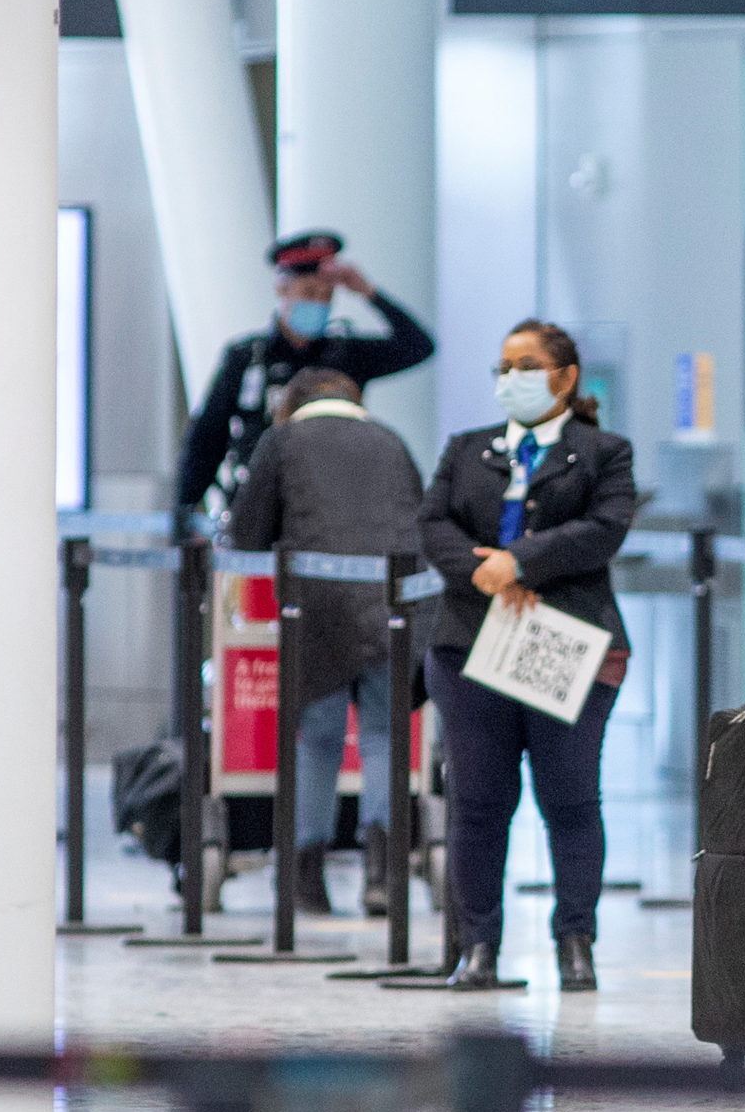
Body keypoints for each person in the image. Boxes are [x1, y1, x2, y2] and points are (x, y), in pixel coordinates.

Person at [418, 319, 638, 992]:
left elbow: (605, 529)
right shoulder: (467, 450)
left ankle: (576, 940)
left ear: (566, 377)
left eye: (528, 364)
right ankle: (477, 945)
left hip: (566, 642)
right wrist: (482, 571)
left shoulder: (605, 452)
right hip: (469, 645)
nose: (512, 378)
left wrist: (520, 562)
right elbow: (433, 523)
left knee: (570, 801)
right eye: (504, 366)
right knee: (478, 803)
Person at [226, 368, 431, 917]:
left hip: (316, 610)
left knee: (317, 741)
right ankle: (382, 875)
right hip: (395, 603)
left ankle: (303, 881)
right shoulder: (391, 440)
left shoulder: (283, 440)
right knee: (386, 739)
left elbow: (247, 535)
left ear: (292, 403)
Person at [176, 231, 436, 512]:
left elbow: (418, 346)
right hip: (258, 501)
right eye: (309, 293)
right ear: (283, 289)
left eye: (327, 296)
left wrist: (368, 292)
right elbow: (209, 434)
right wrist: (187, 506)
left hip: (333, 502)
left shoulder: (347, 354)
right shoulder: (248, 357)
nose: (318, 303)